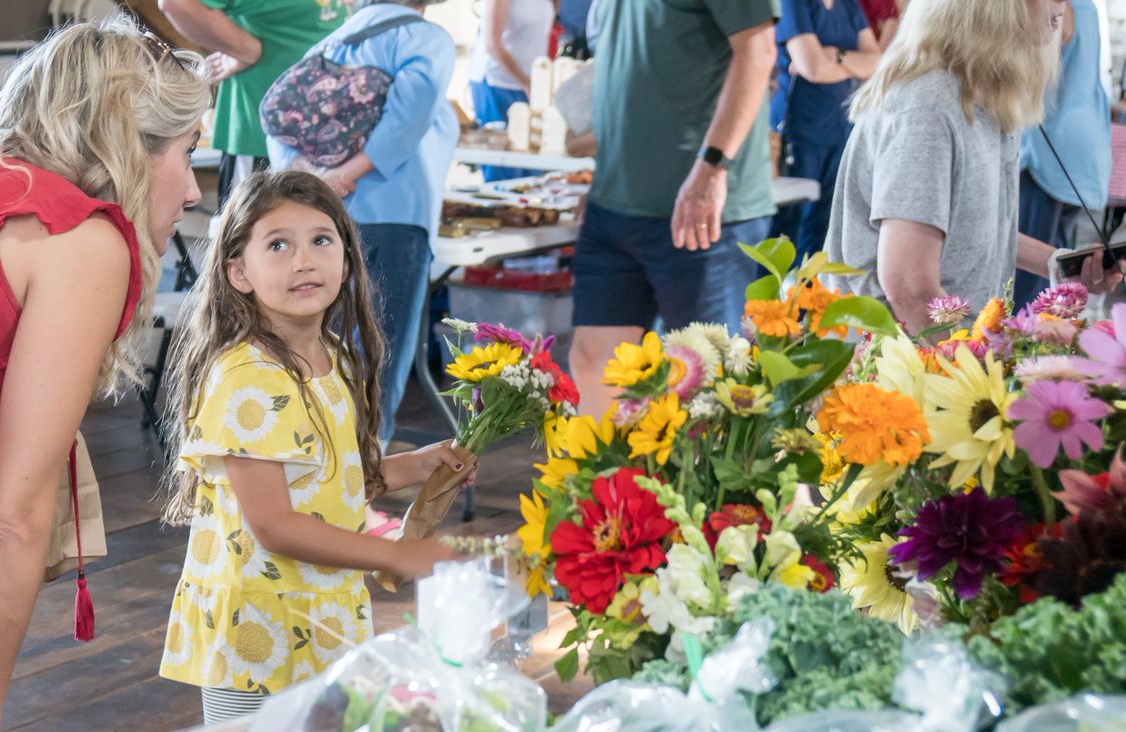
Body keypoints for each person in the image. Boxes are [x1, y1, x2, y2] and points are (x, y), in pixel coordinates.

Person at [157, 171, 466, 724]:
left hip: (319, 612)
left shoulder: (334, 356)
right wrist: (395, 553)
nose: (305, 260)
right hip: (255, 630)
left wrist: (415, 466)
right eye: (279, 245)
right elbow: (275, 523)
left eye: (322, 240)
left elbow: (331, 479)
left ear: (346, 259)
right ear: (238, 273)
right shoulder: (246, 378)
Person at [0, 19, 208, 732]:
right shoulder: (78, 239)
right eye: (188, 153)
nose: (193, 192)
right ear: (129, 144)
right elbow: (11, 518)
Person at [824, 0, 1121, 335]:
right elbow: (910, 290)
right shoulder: (928, 106)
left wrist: (1058, 263)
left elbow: (970, 228)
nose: (1062, 4)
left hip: (950, 357)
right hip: (891, 370)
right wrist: (1008, 348)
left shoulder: (988, 97)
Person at [569, 0, 779, 418]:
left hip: (704, 210)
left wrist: (712, 166)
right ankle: (607, 483)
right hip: (615, 202)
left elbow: (759, 51)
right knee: (595, 364)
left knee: (710, 385)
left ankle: (729, 484)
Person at [268, 0, 458, 444]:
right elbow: (409, 117)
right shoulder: (426, 40)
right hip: (396, 219)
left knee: (321, 356)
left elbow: (279, 116)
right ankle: (362, 488)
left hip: (322, 226)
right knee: (377, 362)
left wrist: (313, 181)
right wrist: (343, 176)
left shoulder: (332, 42)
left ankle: (314, 478)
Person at [159, 0, 348, 205]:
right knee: (249, 229)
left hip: (332, 128)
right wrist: (246, 49)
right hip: (266, 135)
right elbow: (176, 3)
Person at [1014, 0, 1111, 308]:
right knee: (1056, 263)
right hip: (1084, 148)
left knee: (1028, 285)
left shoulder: (1060, 10)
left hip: (1053, 149)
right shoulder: (1088, 8)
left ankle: (1023, 341)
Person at [769, 0, 880, 258]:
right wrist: (854, 64)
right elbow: (814, 68)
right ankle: (775, 298)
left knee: (824, 226)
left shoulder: (849, 5)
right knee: (787, 228)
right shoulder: (794, 4)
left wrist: (837, 55)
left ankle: (810, 296)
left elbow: (878, 64)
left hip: (840, 129)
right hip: (799, 130)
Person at [468, 0, 556, 181]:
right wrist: (527, 83)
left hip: (532, 85)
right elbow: (492, 44)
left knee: (532, 167)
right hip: (498, 83)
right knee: (504, 169)